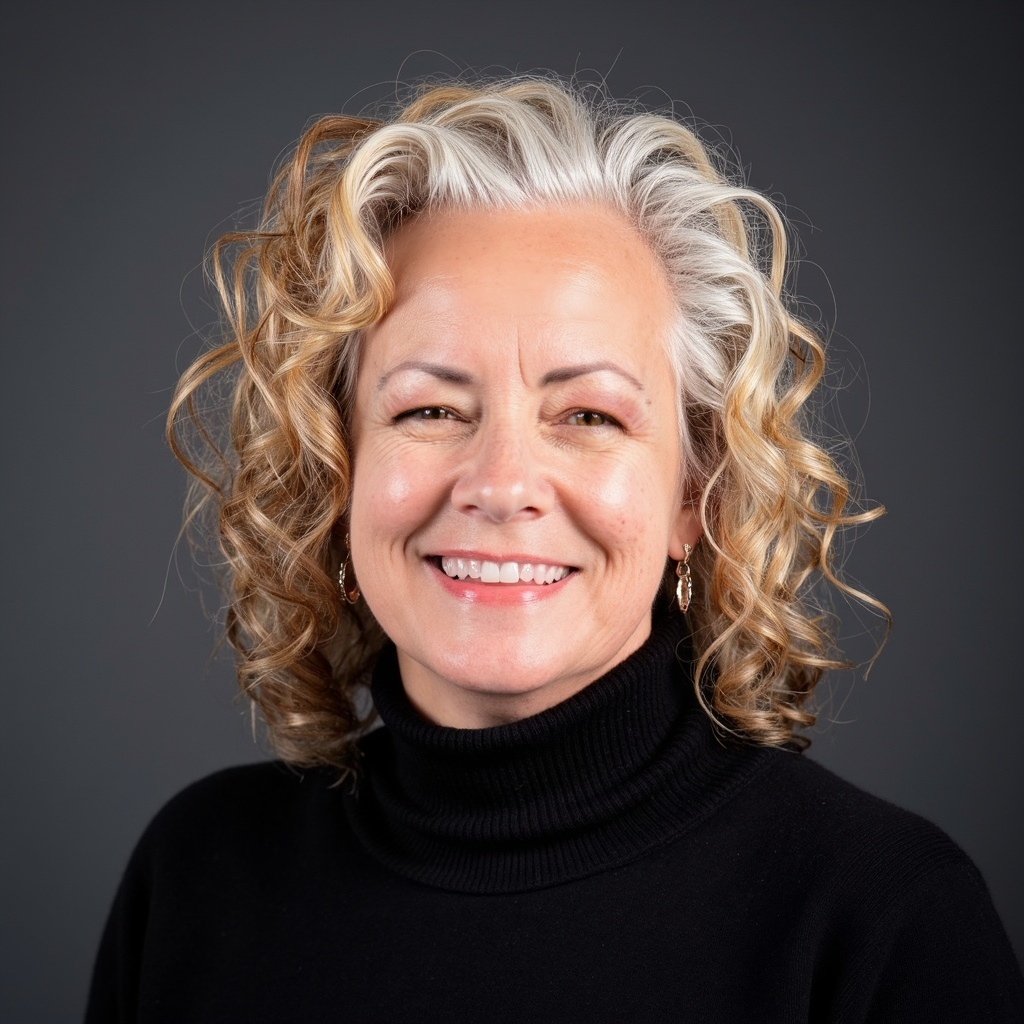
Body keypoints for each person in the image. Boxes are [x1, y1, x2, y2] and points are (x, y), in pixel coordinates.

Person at [86, 77, 1023, 1022]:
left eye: (587, 414)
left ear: (694, 494)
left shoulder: (886, 919)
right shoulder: (197, 881)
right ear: (338, 472)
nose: (500, 484)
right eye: (430, 409)